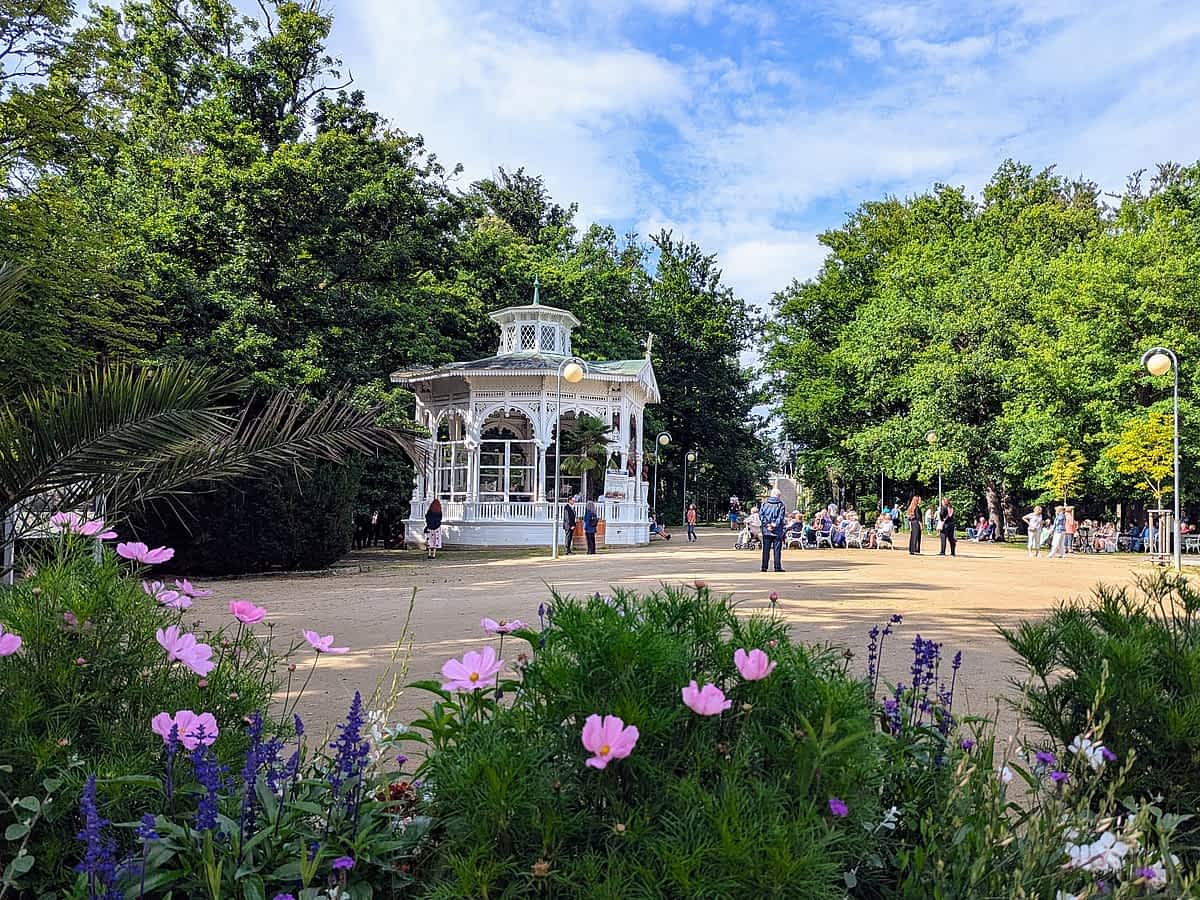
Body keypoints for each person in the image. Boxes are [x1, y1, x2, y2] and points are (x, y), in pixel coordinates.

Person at [759, 487, 787, 572]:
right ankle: (777, 567)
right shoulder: (781, 505)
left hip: (766, 530)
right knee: (777, 550)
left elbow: (761, 515)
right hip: (777, 531)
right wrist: (774, 525)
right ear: (778, 496)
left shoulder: (764, 504)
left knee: (765, 550)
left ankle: (764, 567)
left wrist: (767, 524)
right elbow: (780, 517)